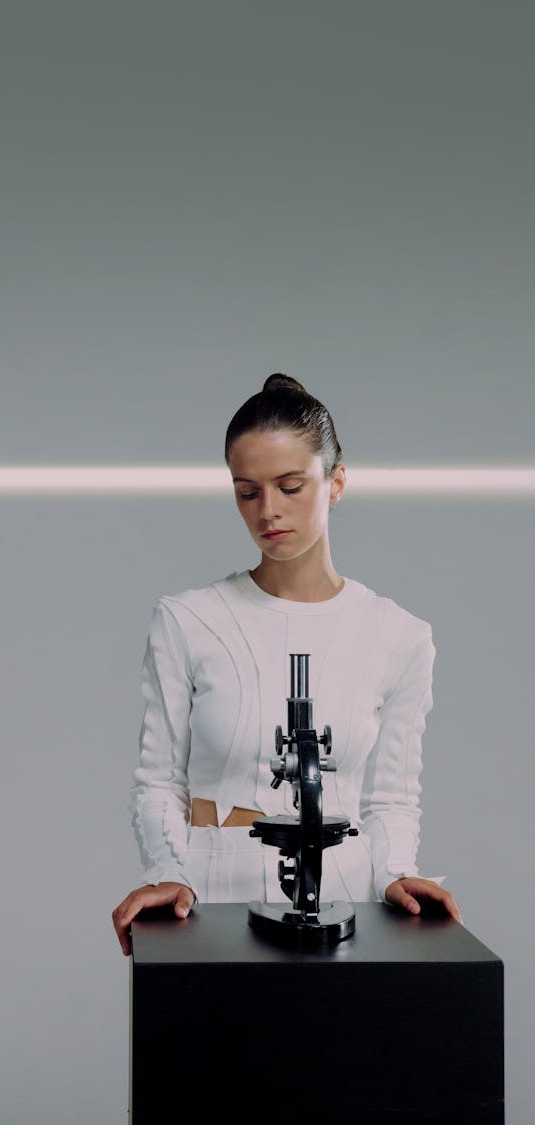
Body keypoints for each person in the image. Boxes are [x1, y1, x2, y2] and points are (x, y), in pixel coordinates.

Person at [112, 374, 461, 955]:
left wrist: (396, 871)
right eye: (247, 492)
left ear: (336, 483)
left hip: (344, 902)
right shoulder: (188, 621)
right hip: (210, 895)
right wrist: (167, 873)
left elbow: (391, 799)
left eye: (291, 486)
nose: (267, 511)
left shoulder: (399, 636)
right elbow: (159, 782)